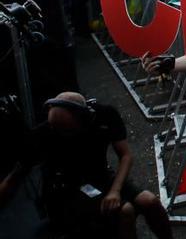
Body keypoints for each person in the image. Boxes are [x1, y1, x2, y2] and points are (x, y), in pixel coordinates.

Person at [9, 92, 172, 238]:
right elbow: (15, 175)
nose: (64, 135)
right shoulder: (42, 134)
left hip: (101, 176)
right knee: (125, 211)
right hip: (65, 188)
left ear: (85, 118)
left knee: (150, 201)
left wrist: (115, 190)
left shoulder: (106, 115)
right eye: (58, 130)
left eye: (68, 130)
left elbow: (126, 155)